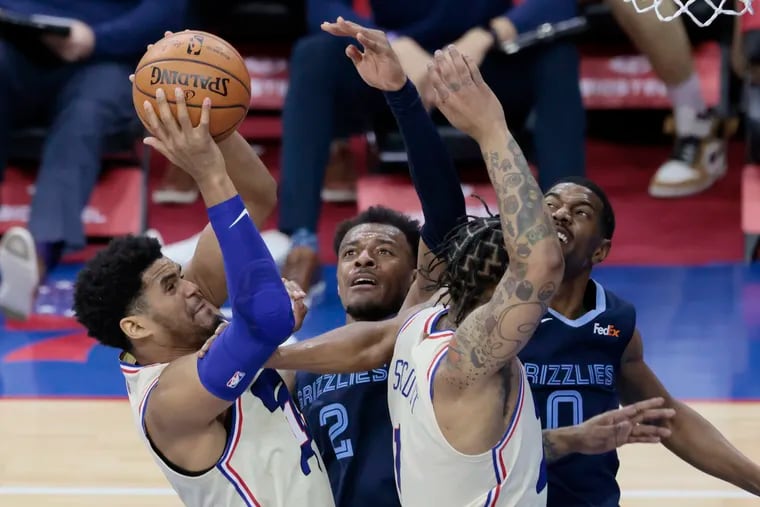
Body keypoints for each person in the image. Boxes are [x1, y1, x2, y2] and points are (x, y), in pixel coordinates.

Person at [262, 29, 760, 505]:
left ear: (603, 249)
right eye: (549, 206)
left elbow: (669, 419)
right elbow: (495, 252)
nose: (559, 213)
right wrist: (487, 129)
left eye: (579, 211)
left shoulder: (611, 324)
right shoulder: (459, 341)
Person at [72, 87, 334, 506]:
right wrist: (210, 176)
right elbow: (264, 321)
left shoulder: (189, 318)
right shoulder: (168, 400)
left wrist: (205, 109)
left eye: (180, 275)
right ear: (136, 325)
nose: (192, 287)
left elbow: (256, 196)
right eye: (171, 286)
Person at [278, 0, 586, 294]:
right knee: (312, 55)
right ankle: (301, 243)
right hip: (394, 66)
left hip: (482, 65)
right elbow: (323, 8)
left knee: (557, 54)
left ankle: (557, 239)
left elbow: (559, 5)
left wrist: (486, 36)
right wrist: (391, 44)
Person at [0, 0, 188, 319]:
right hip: (17, 48)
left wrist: (97, 39)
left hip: (105, 59)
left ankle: (37, 255)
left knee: (85, 115)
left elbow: (168, 11)